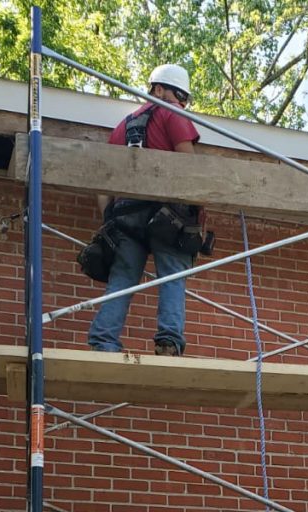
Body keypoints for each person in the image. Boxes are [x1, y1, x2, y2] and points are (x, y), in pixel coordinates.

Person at [87, 64, 201, 356]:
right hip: (166, 214)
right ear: (158, 89)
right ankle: (168, 342)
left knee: (123, 278)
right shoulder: (172, 114)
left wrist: (109, 219)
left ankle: (103, 342)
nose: (181, 104)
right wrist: (196, 211)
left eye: (184, 99)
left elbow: (104, 185)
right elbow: (190, 168)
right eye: (178, 96)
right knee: (172, 274)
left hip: (125, 214)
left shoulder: (121, 128)